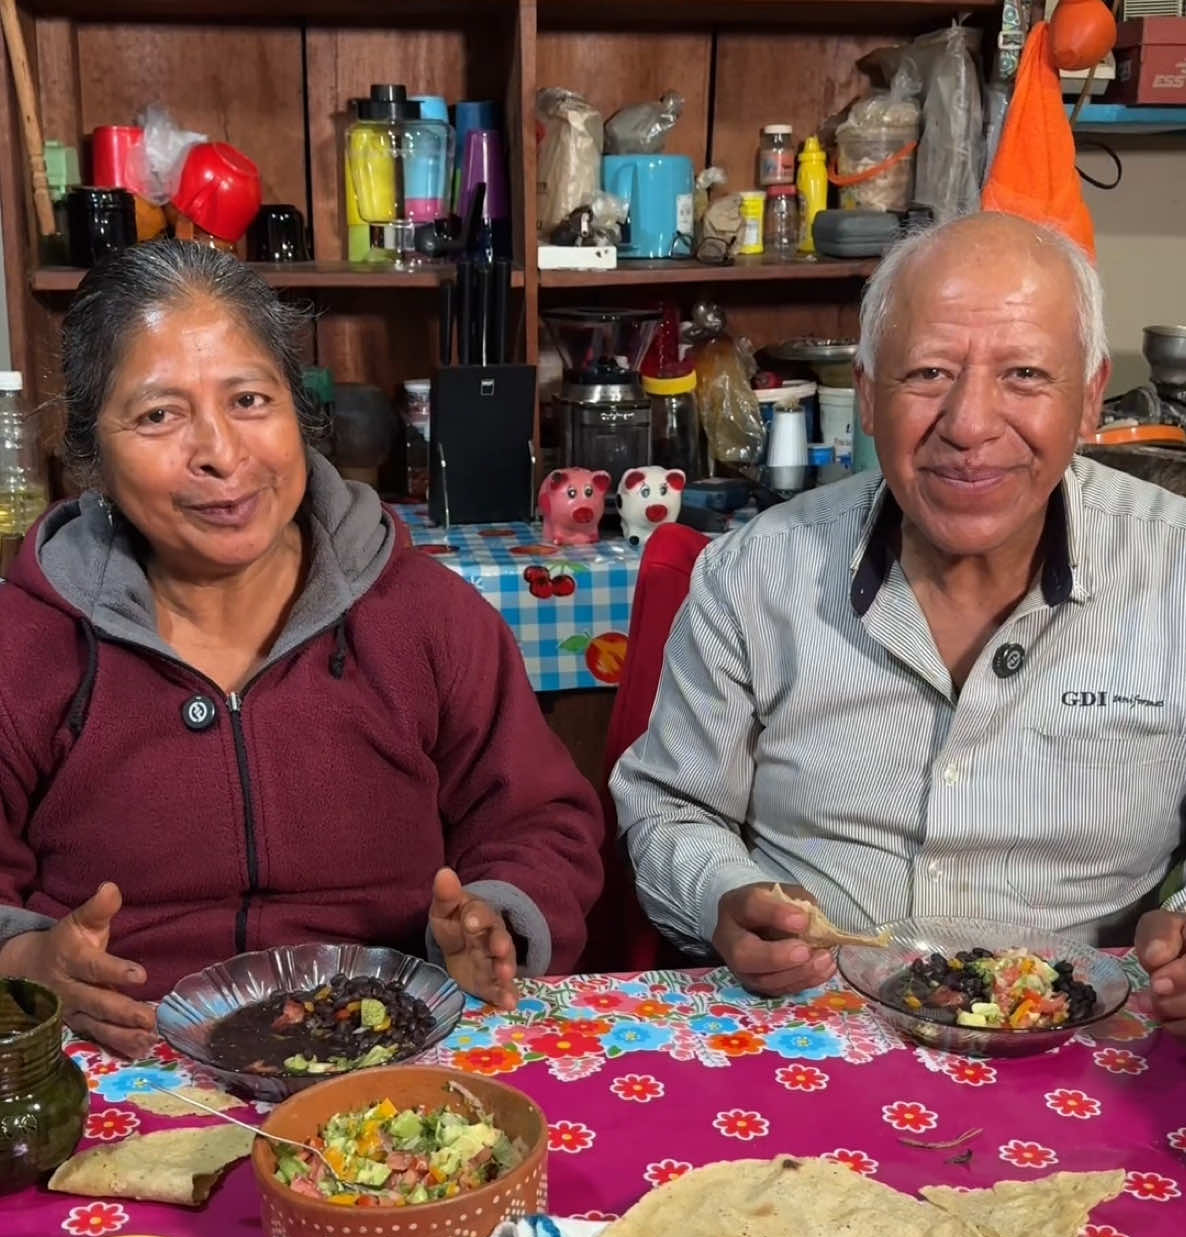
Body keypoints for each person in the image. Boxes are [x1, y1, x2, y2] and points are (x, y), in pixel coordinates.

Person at [0, 241, 602, 1056]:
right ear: (90, 453)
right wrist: (25, 958)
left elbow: (540, 820)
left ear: (296, 411)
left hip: (399, 1052)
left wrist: (496, 914)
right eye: (158, 415)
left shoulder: (424, 617)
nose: (220, 451)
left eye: (250, 399)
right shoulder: (28, 647)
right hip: (125, 1066)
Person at [612, 212, 1186, 1036]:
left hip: (1083, 1045)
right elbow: (669, 804)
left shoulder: (1175, 571)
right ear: (870, 395)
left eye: (1025, 374)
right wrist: (721, 896)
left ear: (1090, 398)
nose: (970, 425)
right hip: (811, 1029)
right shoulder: (757, 572)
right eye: (928, 373)